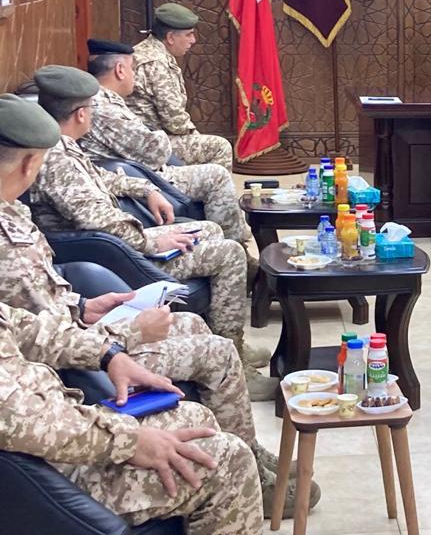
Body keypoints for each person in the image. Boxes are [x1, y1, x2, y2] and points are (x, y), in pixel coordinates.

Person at [0, 93, 317, 515]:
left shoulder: (11, 211)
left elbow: (23, 317)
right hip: (61, 390)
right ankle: (251, 476)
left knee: (198, 337)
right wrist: (123, 337)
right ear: (29, 164)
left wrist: (84, 310)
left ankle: (253, 461)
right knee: (216, 361)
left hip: (76, 344)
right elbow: (19, 410)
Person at [25, 66, 276, 397]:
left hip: (120, 242)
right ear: (82, 114)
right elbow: (98, 221)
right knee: (228, 254)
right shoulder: (55, 157)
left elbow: (100, 178)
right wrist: (152, 241)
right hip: (114, 255)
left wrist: (144, 188)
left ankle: (229, 340)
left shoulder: (62, 144)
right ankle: (236, 359)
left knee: (210, 229)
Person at [0, 299, 263, 533]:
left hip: (50, 435)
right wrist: (130, 440)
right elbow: (16, 420)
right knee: (229, 460)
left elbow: (31, 330)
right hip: (33, 477)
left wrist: (108, 354)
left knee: (197, 417)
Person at [81, 39, 256, 260]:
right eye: (133, 69)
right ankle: (240, 252)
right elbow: (156, 152)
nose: (134, 75)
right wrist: (159, 135)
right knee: (216, 176)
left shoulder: (105, 100)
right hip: (137, 176)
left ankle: (234, 243)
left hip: (137, 172)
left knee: (214, 167)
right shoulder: (103, 106)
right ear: (120, 70)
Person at [126, 3, 234, 169]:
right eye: (189, 34)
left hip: (142, 137)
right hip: (149, 142)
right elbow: (174, 120)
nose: (193, 40)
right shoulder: (156, 63)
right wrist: (194, 134)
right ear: (170, 37)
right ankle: (215, 187)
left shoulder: (143, 51)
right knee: (219, 147)